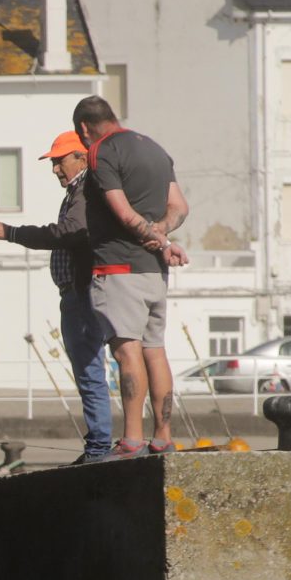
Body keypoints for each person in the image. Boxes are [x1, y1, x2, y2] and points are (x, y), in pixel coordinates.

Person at [0, 132, 112, 461]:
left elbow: (67, 232)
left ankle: (99, 446)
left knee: (89, 369)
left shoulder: (84, 190)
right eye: (53, 162)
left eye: (59, 160)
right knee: (89, 369)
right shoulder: (80, 190)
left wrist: (12, 233)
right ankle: (98, 441)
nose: (55, 168)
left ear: (81, 158)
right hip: (77, 293)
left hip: (82, 295)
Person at [72, 95, 189, 455]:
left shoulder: (102, 152)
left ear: (84, 129)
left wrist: (155, 238)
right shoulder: (155, 149)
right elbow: (179, 207)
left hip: (118, 268)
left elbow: (121, 212)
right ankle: (163, 436)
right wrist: (163, 236)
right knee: (156, 350)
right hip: (154, 272)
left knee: (126, 352)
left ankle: (132, 439)